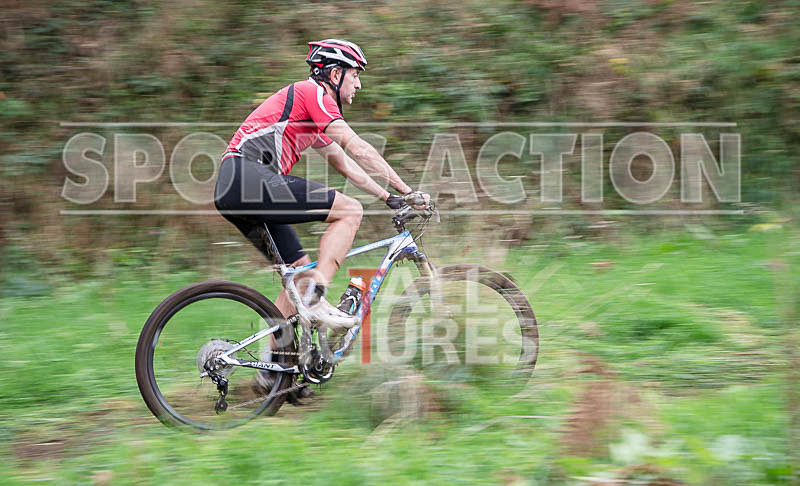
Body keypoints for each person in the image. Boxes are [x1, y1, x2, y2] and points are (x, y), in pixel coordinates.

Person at [214, 38, 429, 331]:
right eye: (355, 75)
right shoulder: (311, 93)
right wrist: (408, 191)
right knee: (350, 211)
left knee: (299, 274)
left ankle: (273, 369)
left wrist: (388, 196)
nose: (359, 85)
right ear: (335, 74)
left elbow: (345, 164)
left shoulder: (309, 119)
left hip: (234, 188)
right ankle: (317, 300)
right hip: (247, 176)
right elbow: (358, 148)